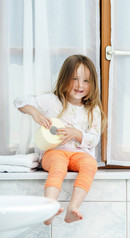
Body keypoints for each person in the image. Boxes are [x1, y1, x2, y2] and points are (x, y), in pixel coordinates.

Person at [14, 54, 107, 225]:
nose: (80, 85)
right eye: (75, 79)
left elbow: (93, 139)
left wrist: (77, 133)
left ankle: (73, 207)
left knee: (90, 165)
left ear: (93, 84)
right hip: (54, 152)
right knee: (58, 166)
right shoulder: (52, 101)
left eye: (86, 81)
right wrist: (36, 113)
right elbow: (20, 101)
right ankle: (49, 208)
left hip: (79, 154)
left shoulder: (92, 109)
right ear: (64, 79)